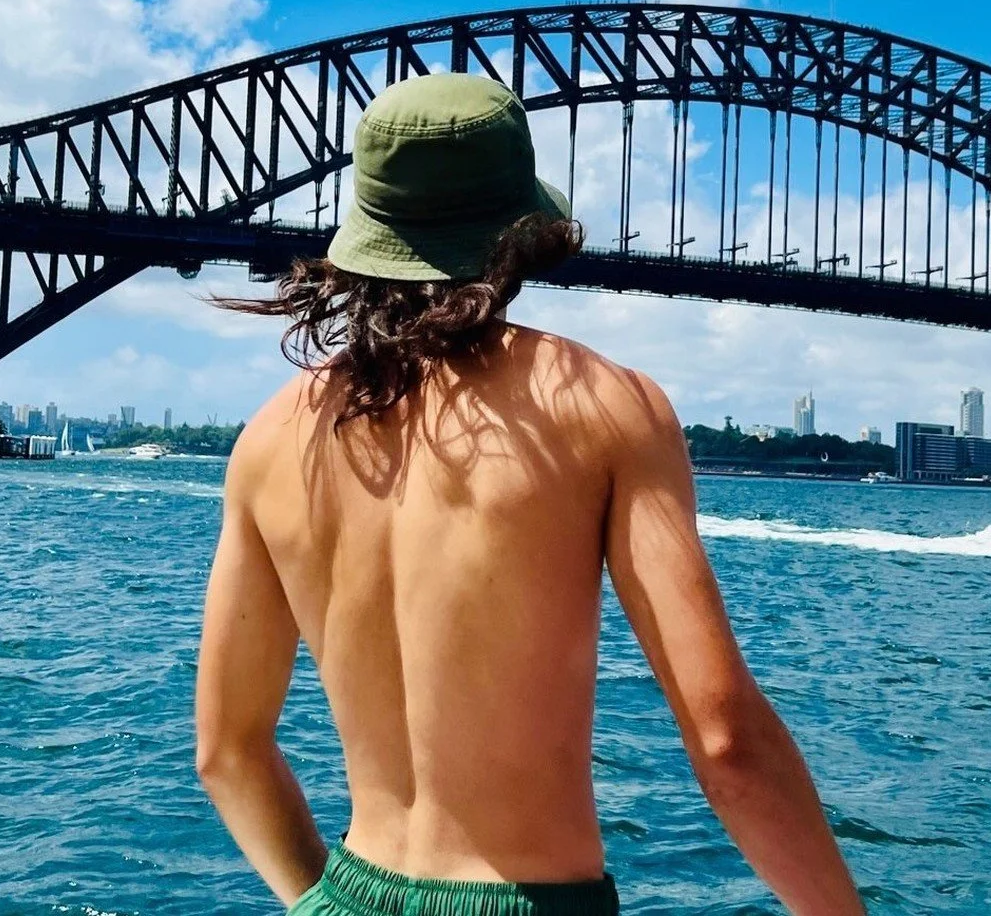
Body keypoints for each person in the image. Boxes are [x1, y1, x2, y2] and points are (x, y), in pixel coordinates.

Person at [195, 73, 865, 916]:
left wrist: (320, 904)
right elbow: (727, 743)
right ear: (518, 233)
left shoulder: (268, 438)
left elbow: (226, 752)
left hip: (347, 891)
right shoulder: (603, 406)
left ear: (371, 229)